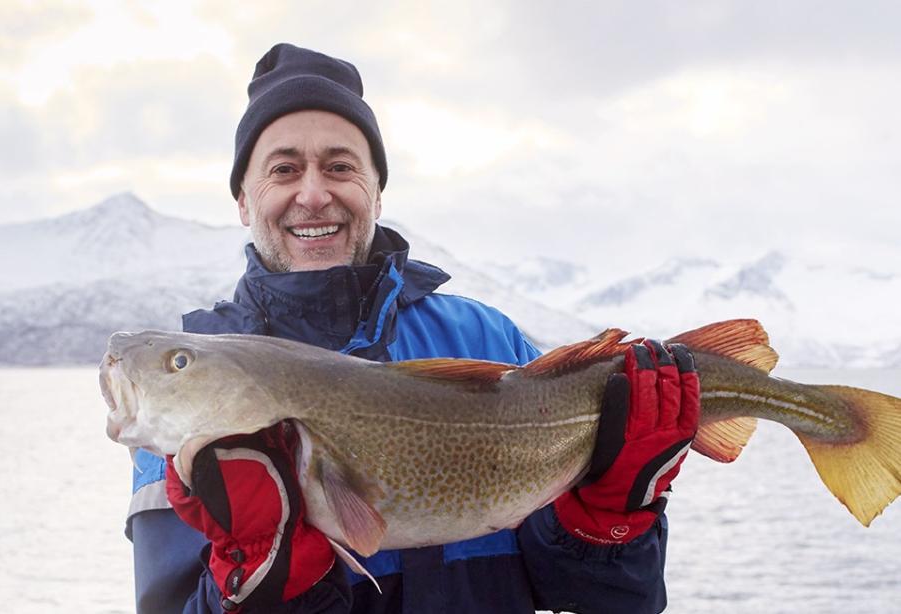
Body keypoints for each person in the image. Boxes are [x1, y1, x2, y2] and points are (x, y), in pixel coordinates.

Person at [127, 43, 700, 614]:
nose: (313, 193)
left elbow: (615, 601)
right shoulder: (188, 410)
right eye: (283, 169)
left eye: (340, 166)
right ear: (243, 201)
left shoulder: (489, 339)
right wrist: (258, 582)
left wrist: (611, 519)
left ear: (376, 191)